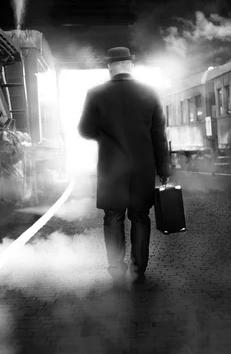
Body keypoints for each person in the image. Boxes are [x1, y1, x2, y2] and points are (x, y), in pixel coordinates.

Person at [77, 47, 171, 287]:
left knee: (113, 217)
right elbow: (159, 135)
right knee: (140, 217)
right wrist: (164, 170)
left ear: (109, 66)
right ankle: (139, 270)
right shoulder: (149, 93)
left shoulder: (96, 93)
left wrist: (107, 137)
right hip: (142, 167)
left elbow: (85, 130)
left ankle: (117, 270)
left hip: (111, 168)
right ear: (130, 65)